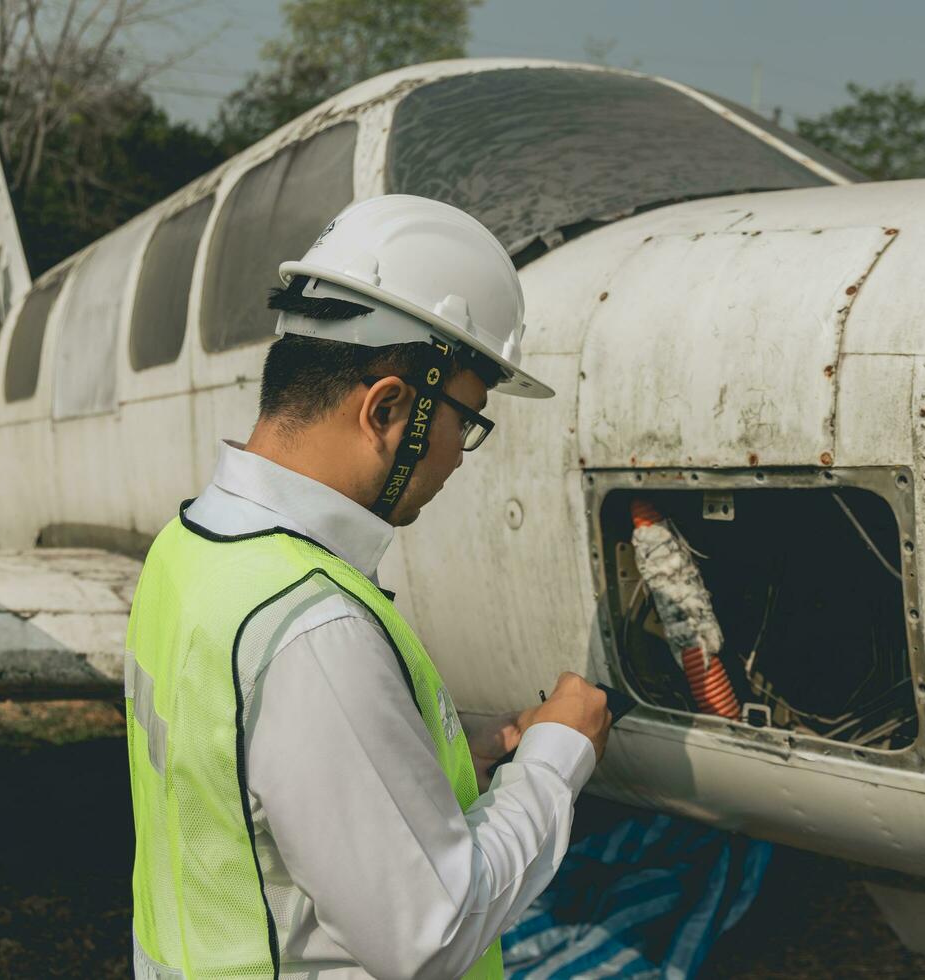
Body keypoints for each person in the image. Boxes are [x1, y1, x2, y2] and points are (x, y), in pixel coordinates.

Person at [123, 195, 612, 980]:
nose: (457, 456)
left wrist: (442, 750)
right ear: (388, 408)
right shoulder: (316, 631)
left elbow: (247, 769)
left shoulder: (192, 546)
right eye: (467, 421)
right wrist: (558, 756)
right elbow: (432, 932)